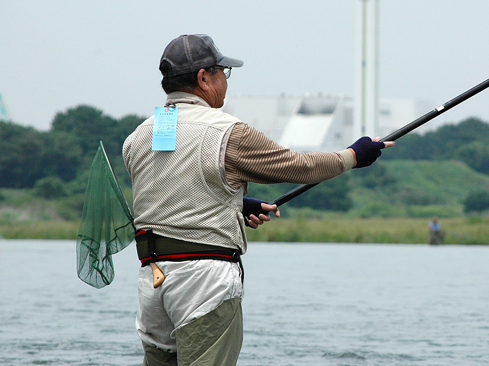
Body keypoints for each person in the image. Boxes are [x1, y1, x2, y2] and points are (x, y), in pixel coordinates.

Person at [123, 34, 394, 366]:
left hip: (152, 280)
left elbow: (171, 192)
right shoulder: (229, 132)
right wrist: (353, 155)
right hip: (203, 280)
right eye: (223, 71)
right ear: (203, 78)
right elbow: (298, 166)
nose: (225, 80)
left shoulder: (138, 136)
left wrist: (236, 203)